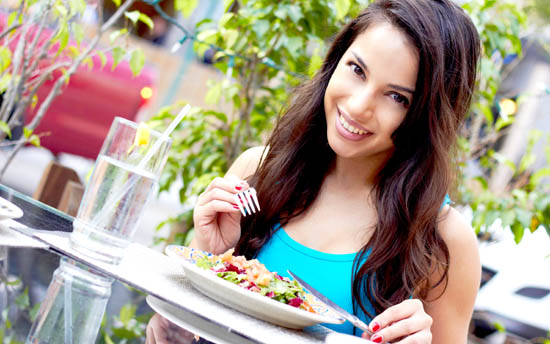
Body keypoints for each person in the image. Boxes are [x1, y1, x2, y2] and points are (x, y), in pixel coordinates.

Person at [147, 0, 482, 342]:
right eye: (356, 70)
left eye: (397, 97)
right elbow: (168, 335)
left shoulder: (444, 240)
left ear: (429, 118)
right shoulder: (258, 173)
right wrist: (208, 257)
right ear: (335, 61)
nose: (357, 106)